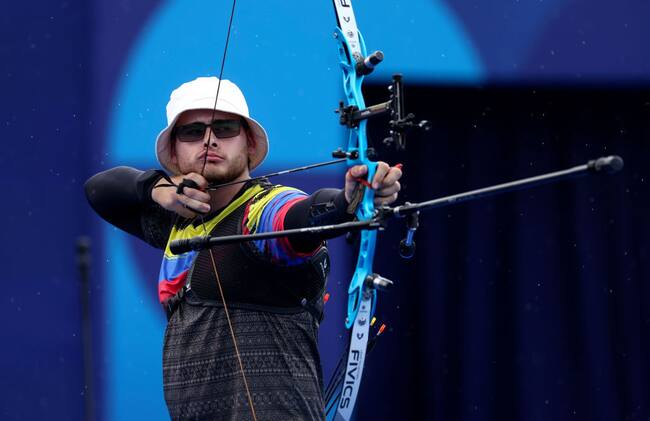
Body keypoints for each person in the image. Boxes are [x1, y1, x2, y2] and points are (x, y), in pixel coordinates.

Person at [84, 76, 402, 420]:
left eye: (224, 128)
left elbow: (299, 214)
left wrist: (346, 202)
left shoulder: (260, 212)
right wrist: (157, 189)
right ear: (173, 153)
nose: (209, 139)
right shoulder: (179, 222)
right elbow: (99, 190)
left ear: (249, 144)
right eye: (192, 132)